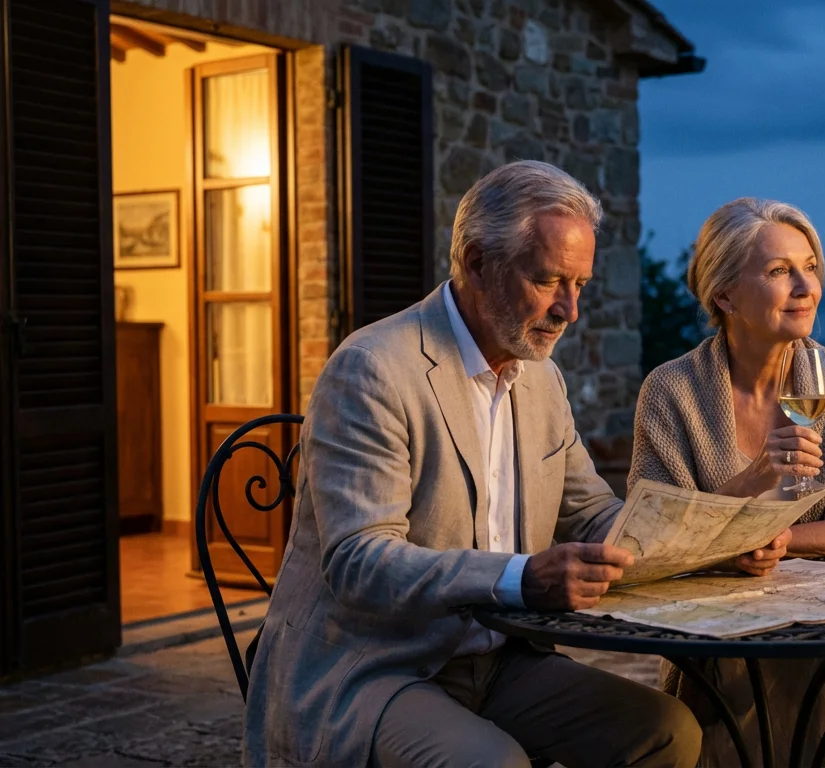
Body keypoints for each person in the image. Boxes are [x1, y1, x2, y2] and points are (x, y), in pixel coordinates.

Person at [243, 161, 709, 768]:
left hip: (498, 661)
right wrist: (522, 579)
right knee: (491, 764)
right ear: (476, 261)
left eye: (581, 285)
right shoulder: (373, 368)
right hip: (375, 667)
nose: (570, 310)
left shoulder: (540, 378)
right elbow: (359, 562)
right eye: (548, 281)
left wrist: (707, 541)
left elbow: (591, 512)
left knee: (668, 731)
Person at [629, 198, 825, 767]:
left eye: (810, 266)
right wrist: (752, 480)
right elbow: (651, 539)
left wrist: (779, 542)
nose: (806, 286)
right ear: (724, 295)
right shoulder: (671, 392)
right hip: (717, 640)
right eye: (779, 271)